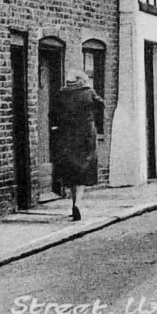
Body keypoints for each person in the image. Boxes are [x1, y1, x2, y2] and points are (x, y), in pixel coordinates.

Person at [51, 69, 104, 221]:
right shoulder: (89, 92)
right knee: (83, 171)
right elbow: (101, 105)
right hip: (86, 135)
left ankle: (73, 202)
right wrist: (92, 119)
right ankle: (77, 203)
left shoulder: (62, 94)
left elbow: (53, 114)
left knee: (71, 171)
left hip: (67, 136)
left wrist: (58, 126)